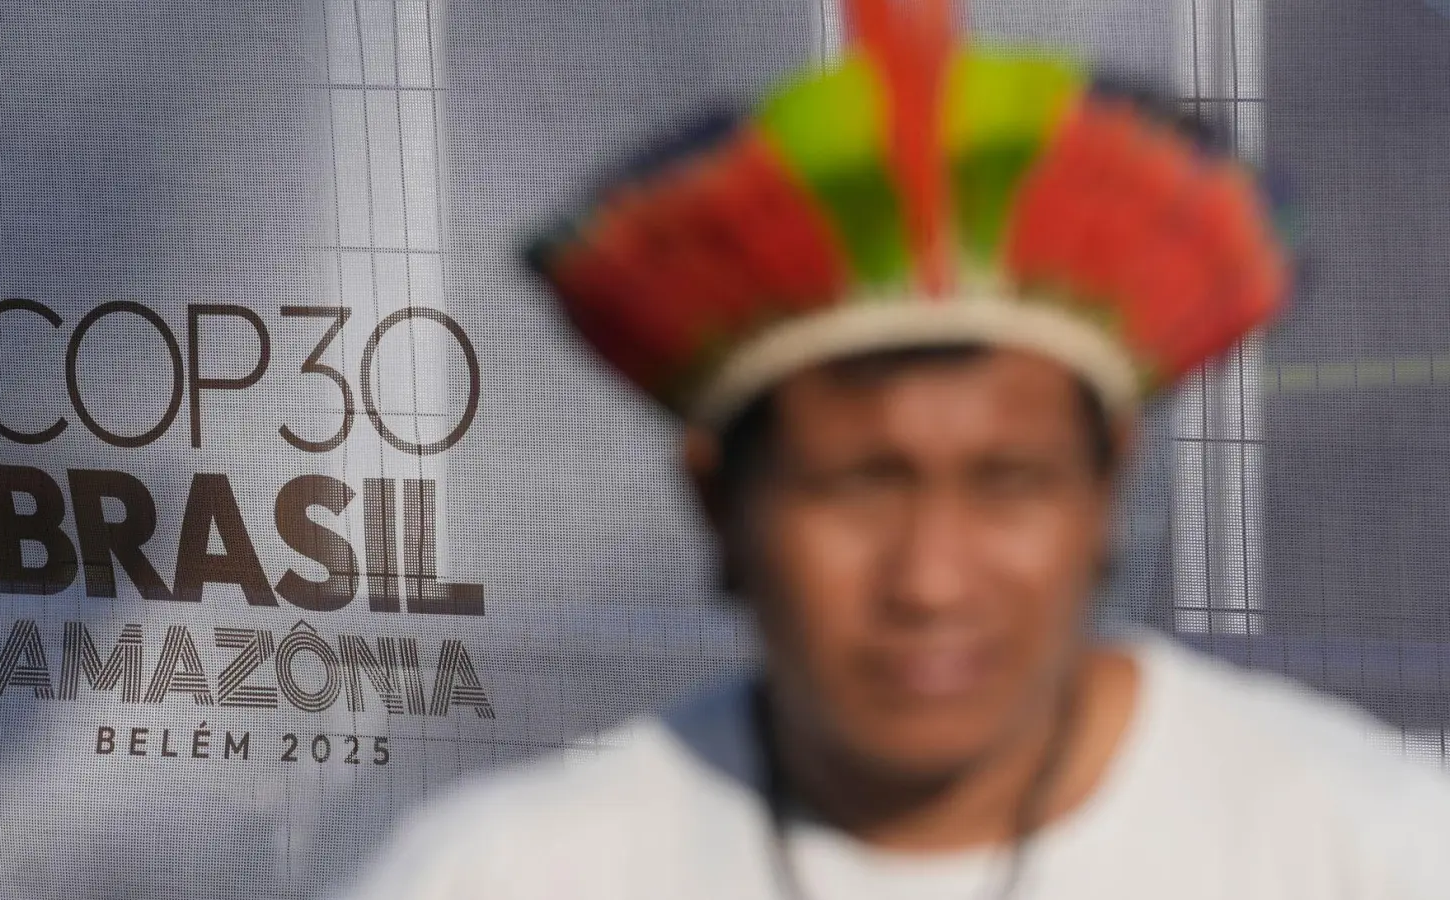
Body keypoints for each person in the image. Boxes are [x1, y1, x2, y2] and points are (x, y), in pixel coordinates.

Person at [340, 1, 1450, 897]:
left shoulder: (1361, 851)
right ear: (718, 506)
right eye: (856, 488)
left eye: (1007, 484)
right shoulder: (507, 874)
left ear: (1106, 487)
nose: (929, 579)